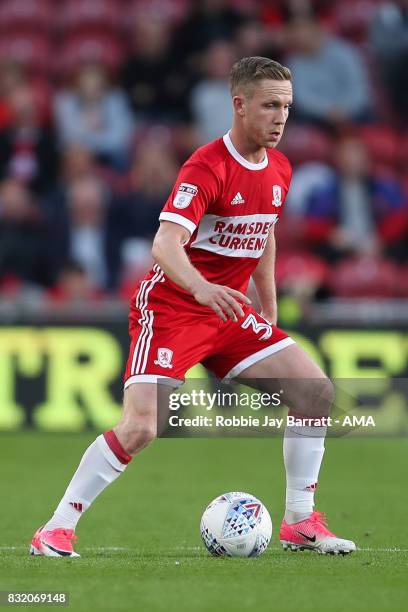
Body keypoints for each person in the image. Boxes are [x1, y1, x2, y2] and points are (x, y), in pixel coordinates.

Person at [30, 57, 356, 558]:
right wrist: (202, 288)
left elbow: (263, 234)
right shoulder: (206, 166)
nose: (281, 117)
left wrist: (267, 308)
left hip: (227, 310)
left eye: (287, 107)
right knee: (141, 426)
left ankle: (299, 522)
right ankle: (56, 527)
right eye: (270, 105)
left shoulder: (280, 166)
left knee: (315, 393)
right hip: (175, 307)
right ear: (239, 104)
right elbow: (165, 244)